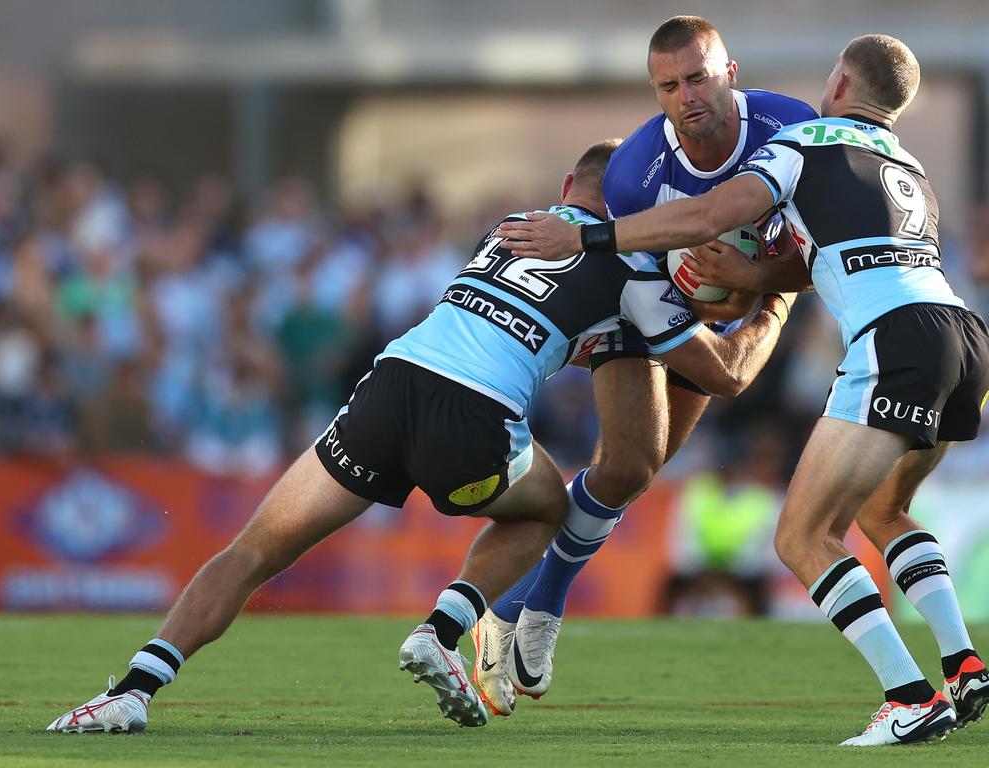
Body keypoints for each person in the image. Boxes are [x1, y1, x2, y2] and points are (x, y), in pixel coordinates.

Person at [47, 140, 794, 734]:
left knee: (254, 550)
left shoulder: (507, 230)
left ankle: (134, 690)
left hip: (388, 385)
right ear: (630, 205)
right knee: (545, 509)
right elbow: (721, 374)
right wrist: (765, 299)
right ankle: (445, 626)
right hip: (469, 416)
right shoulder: (632, 267)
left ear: (567, 185)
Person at [497, 35, 989, 746]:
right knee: (887, 513)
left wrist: (592, 239)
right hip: (964, 338)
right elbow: (827, 256)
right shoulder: (904, 161)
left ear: (841, 84)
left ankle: (908, 698)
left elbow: (704, 218)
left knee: (800, 537)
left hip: (894, 340)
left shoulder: (802, 136)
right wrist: (754, 278)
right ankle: (966, 662)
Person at [471, 14, 816, 716]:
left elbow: (820, 253)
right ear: (656, 93)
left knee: (638, 471)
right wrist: (712, 292)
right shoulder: (636, 171)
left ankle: (523, 605)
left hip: (747, 294)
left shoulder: (790, 125)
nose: (686, 96)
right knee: (628, 461)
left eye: (696, 77)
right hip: (647, 303)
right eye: (668, 86)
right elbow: (642, 275)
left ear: (729, 73)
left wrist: (756, 280)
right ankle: (528, 609)